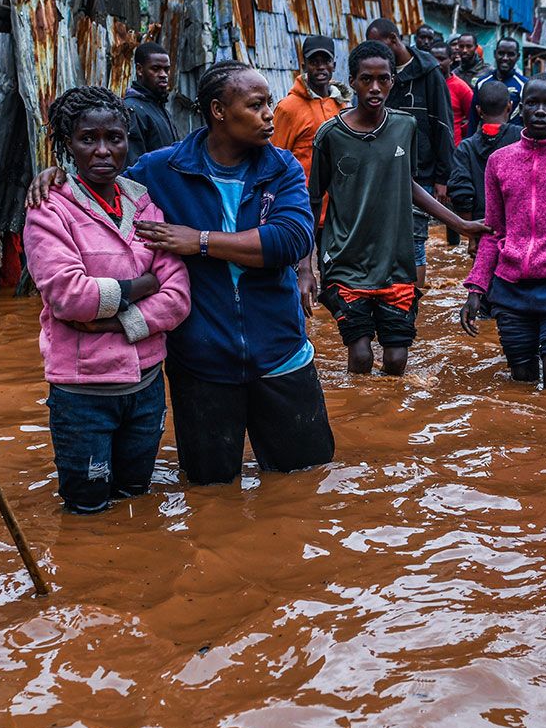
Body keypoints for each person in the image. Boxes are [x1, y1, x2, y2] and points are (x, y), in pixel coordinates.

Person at [28, 61, 335, 486]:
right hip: (201, 362)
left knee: (305, 483)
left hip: (281, 352)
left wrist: (199, 241)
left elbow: (290, 241)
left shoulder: (280, 168)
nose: (270, 114)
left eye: (269, 103)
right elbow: (101, 183)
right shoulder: (161, 170)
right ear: (218, 111)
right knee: (210, 492)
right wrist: (57, 174)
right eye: (257, 104)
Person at [23, 87, 191, 514]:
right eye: (88, 138)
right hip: (83, 395)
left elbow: (178, 297)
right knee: (87, 509)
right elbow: (68, 295)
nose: (103, 150)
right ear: (67, 145)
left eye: (114, 138)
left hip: (147, 387)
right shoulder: (50, 207)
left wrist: (117, 321)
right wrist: (142, 285)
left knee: (137, 497)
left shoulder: (142, 201)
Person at [309, 42, 486, 376]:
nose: (375, 88)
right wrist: (306, 267)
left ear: (393, 81)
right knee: (360, 356)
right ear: (352, 81)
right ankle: (358, 425)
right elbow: (314, 199)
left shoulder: (405, 127)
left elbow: (409, 184)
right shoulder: (330, 135)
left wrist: (462, 226)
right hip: (346, 261)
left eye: (383, 79)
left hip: (395, 261)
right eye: (366, 79)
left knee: (396, 361)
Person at [458, 75, 546, 389]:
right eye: (532, 103)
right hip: (511, 290)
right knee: (521, 383)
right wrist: (476, 288)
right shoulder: (499, 161)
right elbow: (493, 232)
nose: (540, 111)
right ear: (519, 109)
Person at [366, 17, 456, 286]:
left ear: (393, 40)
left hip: (422, 172)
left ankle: (413, 305)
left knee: (416, 242)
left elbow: (443, 125)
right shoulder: (382, 74)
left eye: (378, 46)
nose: (375, 54)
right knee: (381, 240)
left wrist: (443, 178)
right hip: (383, 172)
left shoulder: (429, 73)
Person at [448, 79, 522, 252]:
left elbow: (461, 195)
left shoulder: (466, 147)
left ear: (478, 110)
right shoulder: (521, 139)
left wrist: (472, 235)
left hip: (482, 230)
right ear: (510, 107)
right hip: (518, 229)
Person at [270, 35, 344, 183]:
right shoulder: (287, 108)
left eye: (326, 61)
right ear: (304, 66)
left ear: (334, 65)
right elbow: (273, 160)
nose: (320, 67)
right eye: (314, 62)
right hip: (302, 200)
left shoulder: (342, 106)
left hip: (338, 200)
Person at [431, 39, 477, 248]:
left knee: (451, 204)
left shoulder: (461, 88)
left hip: (453, 155)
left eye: (441, 58)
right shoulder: (425, 84)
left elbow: (473, 118)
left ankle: (453, 245)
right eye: (433, 58)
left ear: (451, 59)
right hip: (427, 155)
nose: (437, 63)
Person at [124, 42, 179, 166]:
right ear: (139, 70)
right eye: (155, 69)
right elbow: (134, 166)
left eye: (166, 69)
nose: (163, 75)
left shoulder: (159, 108)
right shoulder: (131, 110)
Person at [466, 38, 527, 135]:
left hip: (513, 143)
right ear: (495, 54)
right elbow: (473, 118)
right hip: (486, 142)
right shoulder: (482, 83)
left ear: (518, 56)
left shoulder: (524, 85)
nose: (505, 58)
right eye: (501, 53)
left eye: (510, 54)